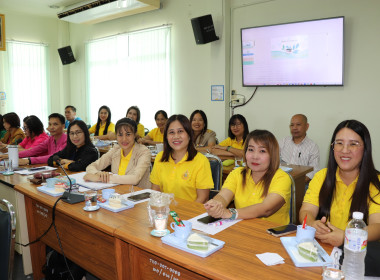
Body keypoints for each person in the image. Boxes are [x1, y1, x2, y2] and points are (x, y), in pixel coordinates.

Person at [299, 120, 380, 276]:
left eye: (353, 144)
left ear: (365, 149)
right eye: (339, 143)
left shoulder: (375, 183)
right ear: (332, 147)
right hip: (323, 256)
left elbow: (378, 226)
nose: (345, 150)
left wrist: (346, 237)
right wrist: (311, 223)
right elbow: (306, 210)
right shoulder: (321, 176)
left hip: (358, 261)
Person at [204, 130, 291, 224]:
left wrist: (231, 213)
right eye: (250, 150)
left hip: (272, 233)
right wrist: (216, 205)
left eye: (262, 151)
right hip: (243, 228)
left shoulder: (282, 178)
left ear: (273, 155)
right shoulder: (237, 173)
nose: (255, 156)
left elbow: (266, 209)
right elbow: (223, 196)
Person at [150, 114, 214, 203]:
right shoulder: (160, 158)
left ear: (189, 134)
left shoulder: (201, 161)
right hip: (165, 211)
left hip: (190, 213)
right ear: (166, 137)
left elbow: (203, 198)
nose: (176, 136)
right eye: (171, 132)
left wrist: (185, 215)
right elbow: (155, 191)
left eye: (180, 131)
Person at [84, 118, 151, 188]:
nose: (124, 139)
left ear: (135, 135)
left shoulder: (144, 152)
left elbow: (135, 179)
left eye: (128, 134)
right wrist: (99, 174)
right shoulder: (116, 149)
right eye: (120, 135)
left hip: (138, 195)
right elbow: (91, 167)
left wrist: (100, 178)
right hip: (118, 193)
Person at [279, 114, 319, 183]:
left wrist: (296, 183)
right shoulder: (283, 142)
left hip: (301, 183)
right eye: (292, 125)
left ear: (307, 126)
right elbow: (273, 161)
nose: (294, 128)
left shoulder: (313, 146)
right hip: (281, 180)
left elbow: (314, 171)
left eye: (298, 124)